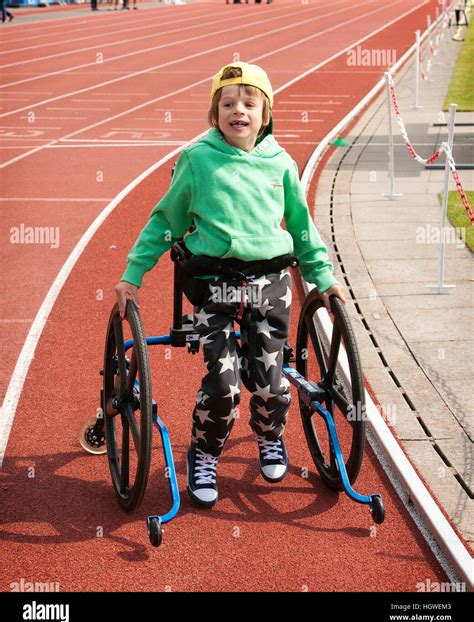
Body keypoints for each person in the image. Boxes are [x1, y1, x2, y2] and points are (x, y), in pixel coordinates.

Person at [115, 62, 346, 508]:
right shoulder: (197, 160)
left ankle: (270, 436)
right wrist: (133, 274)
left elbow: (300, 227)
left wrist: (322, 276)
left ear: (265, 115)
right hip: (213, 286)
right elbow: (166, 221)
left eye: (248, 102)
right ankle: (202, 452)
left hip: (270, 283)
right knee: (224, 387)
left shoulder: (280, 162)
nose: (237, 110)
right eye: (227, 103)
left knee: (272, 384)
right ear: (214, 113)